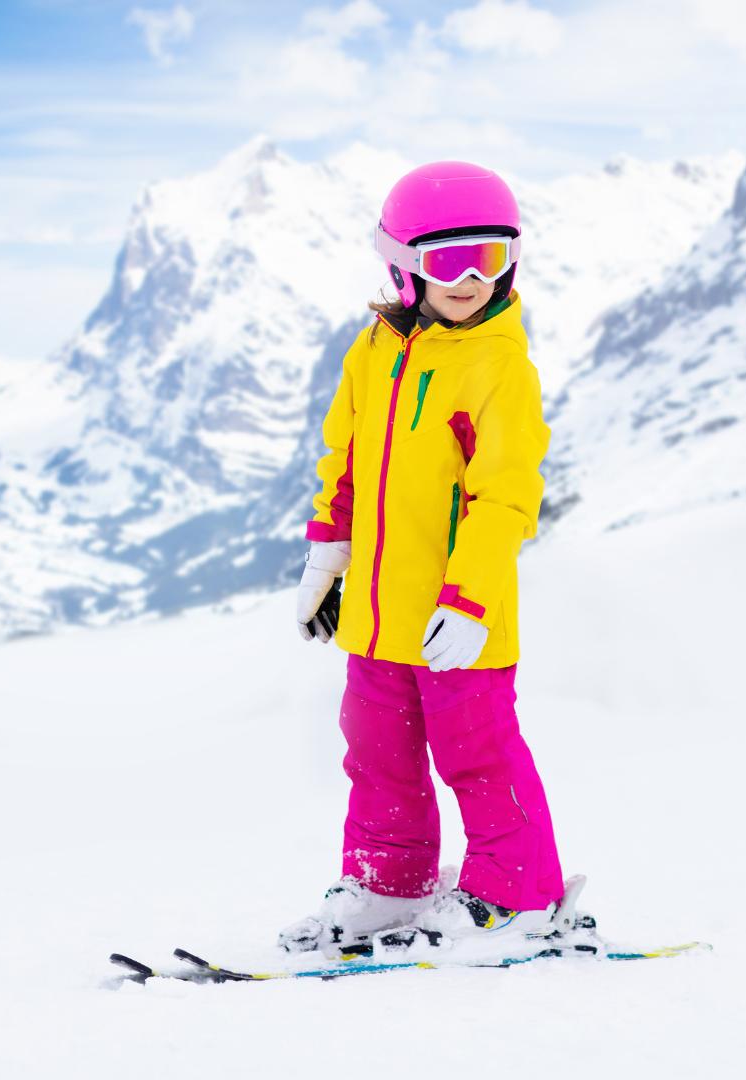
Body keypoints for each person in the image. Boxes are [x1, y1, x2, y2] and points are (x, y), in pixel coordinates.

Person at [283, 160, 564, 956]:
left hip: (456, 621)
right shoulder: (374, 349)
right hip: (376, 620)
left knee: (478, 755)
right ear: (403, 266)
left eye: (492, 257)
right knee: (377, 754)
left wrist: (470, 601)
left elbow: (504, 498)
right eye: (448, 261)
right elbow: (345, 457)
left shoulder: (499, 366)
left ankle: (518, 896)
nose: (473, 279)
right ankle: (388, 884)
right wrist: (326, 559)